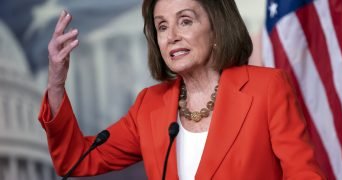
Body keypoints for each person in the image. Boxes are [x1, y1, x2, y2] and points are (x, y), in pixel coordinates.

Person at [38, 0, 325, 179]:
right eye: (162, 27)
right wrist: (56, 84)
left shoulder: (267, 89)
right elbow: (74, 160)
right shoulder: (149, 106)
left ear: (215, 27)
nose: (171, 36)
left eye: (185, 21)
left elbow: (304, 174)